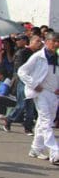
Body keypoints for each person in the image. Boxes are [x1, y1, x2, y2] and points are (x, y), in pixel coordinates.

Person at [17, 31, 58, 164]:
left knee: (44, 121)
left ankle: (36, 149)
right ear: (47, 42)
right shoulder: (38, 56)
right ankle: (55, 152)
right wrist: (34, 84)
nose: (56, 44)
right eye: (54, 41)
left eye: (58, 42)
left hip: (54, 94)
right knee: (46, 121)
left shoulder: (57, 57)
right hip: (41, 93)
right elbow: (22, 71)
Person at [4, 35, 39, 134]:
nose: (39, 43)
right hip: (22, 81)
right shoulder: (22, 53)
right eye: (37, 41)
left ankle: (28, 126)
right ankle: (9, 119)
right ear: (31, 42)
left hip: (32, 81)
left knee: (30, 105)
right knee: (22, 104)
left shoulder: (38, 54)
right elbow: (19, 70)